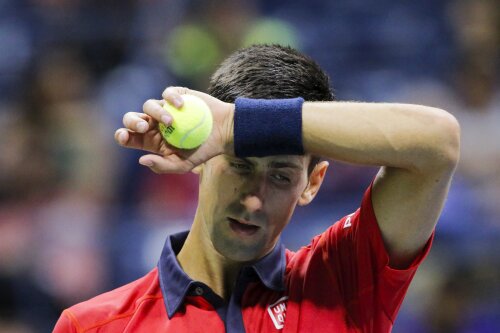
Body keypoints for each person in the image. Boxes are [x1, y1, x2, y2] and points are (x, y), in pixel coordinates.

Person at [53, 44, 460, 332]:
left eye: (281, 176)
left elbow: (437, 142)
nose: (253, 198)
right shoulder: (93, 326)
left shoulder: (345, 282)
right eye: (239, 165)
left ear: (311, 184)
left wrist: (234, 127)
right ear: (200, 160)